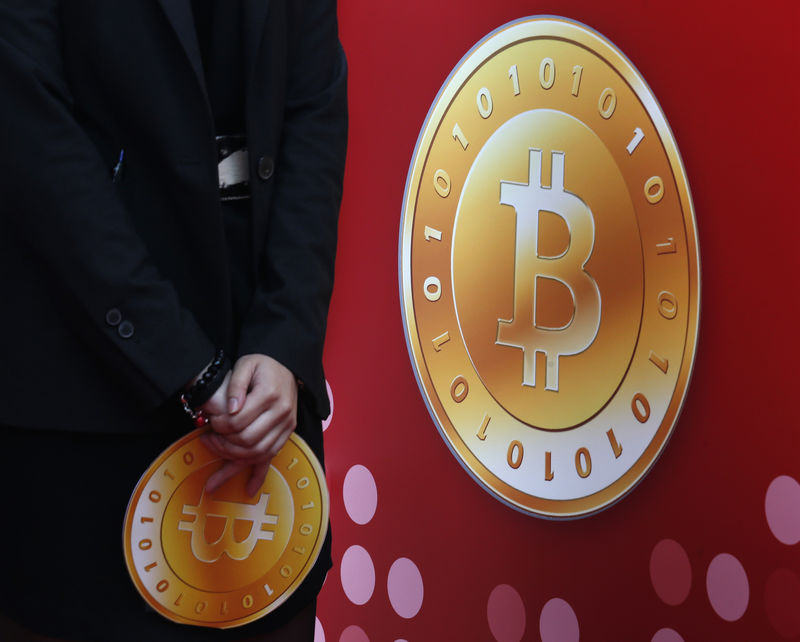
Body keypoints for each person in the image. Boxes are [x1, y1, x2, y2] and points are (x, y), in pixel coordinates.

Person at [0, 1, 347, 640]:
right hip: (81, 385)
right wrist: (186, 362)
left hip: (263, 392)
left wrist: (285, 338)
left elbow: (314, 109)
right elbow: (34, 142)